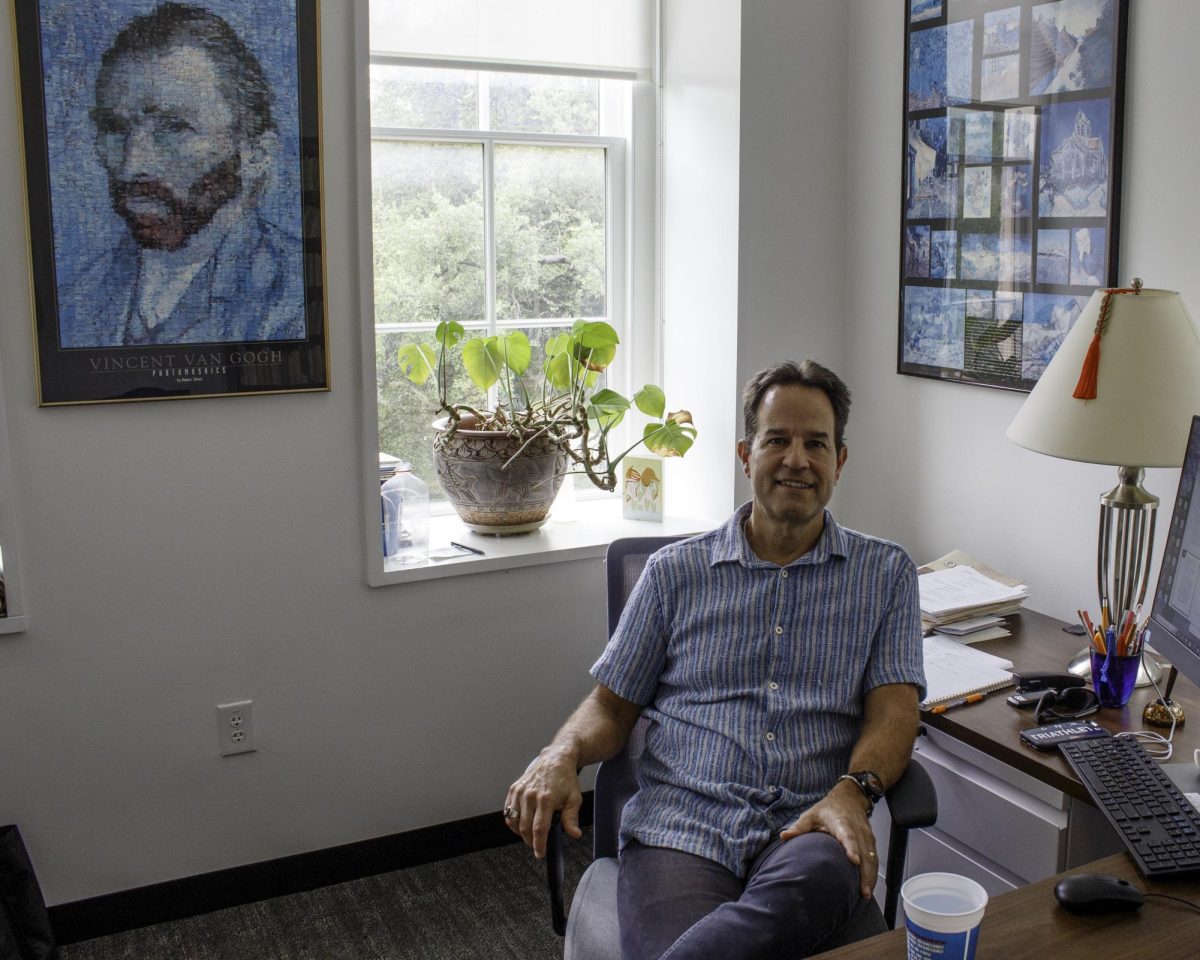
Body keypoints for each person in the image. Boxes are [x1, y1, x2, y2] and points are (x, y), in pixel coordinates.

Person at [505, 360, 925, 959]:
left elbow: (895, 715)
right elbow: (612, 705)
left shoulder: (885, 575)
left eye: (816, 443)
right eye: (777, 440)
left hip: (812, 825)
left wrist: (852, 793)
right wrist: (561, 752)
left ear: (840, 460)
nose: (796, 460)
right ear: (745, 453)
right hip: (682, 827)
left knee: (821, 876)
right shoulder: (674, 573)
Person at [59, 3, 305, 348]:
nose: (132, 165)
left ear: (255, 153)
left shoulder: (298, 296)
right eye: (115, 128)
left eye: (174, 127)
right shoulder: (76, 299)